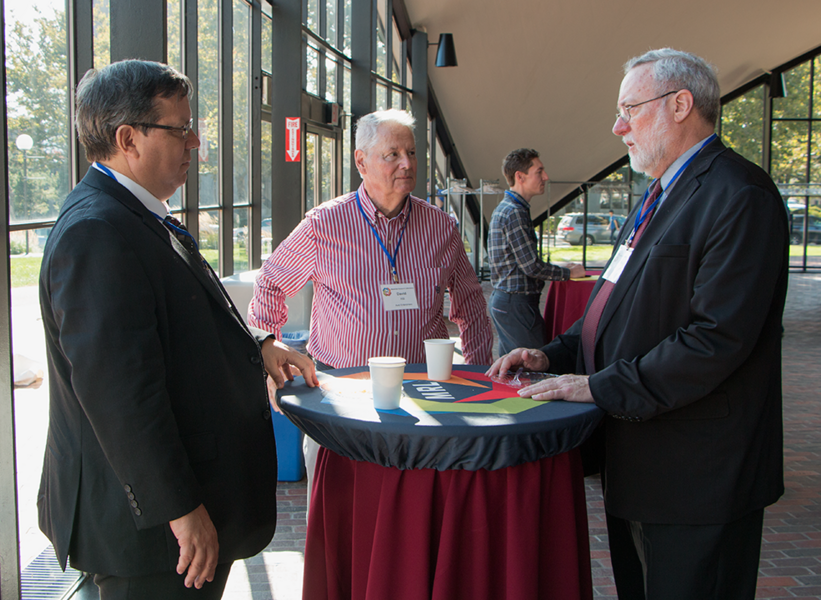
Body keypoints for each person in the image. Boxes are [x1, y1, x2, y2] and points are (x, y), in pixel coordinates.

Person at [488, 48, 788, 600]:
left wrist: (598, 386)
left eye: (630, 108)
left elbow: (716, 339)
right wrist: (551, 355)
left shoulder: (739, 196)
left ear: (680, 105)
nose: (617, 126)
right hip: (644, 465)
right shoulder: (657, 195)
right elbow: (613, 309)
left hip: (700, 474)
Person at [37, 59, 317, 600]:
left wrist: (258, 346)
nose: (194, 142)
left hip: (178, 518)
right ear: (128, 139)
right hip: (155, 534)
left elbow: (171, 324)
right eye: (179, 128)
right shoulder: (97, 232)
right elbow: (119, 393)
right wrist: (181, 511)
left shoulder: (137, 214)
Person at [248, 108, 493, 496]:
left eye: (411, 153)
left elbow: (472, 306)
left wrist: (478, 379)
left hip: (420, 400)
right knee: (338, 511)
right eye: (392, 154)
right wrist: (269, 362)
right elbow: (270, 286)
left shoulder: (440, 227)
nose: (407, 164)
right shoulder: (324, 225)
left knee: (411, 510)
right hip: (339, 399)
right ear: (361, 161)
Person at [488, 149, 585, 355]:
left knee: (514, 372)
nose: (546, 177)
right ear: (520, 177)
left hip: (508, 301)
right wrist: (568, 273)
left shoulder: (509, 208)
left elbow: (522, 262)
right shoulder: (514, 211)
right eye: (539, 171)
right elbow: (531, 266)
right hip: (517, 304)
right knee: (534, 370)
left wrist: (559, 267)